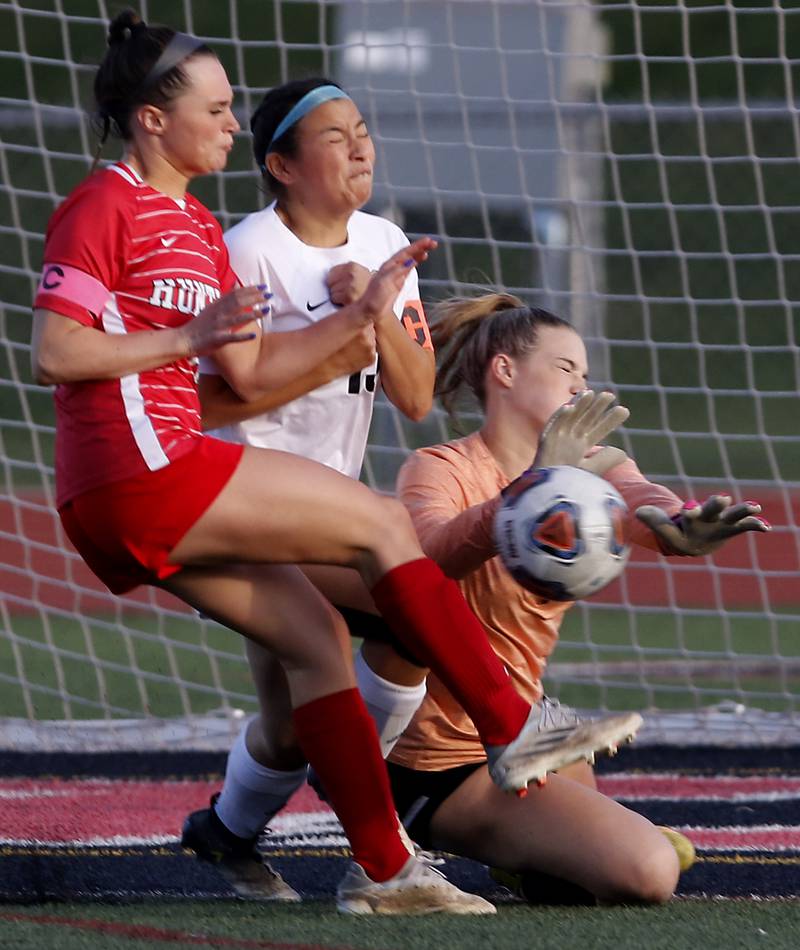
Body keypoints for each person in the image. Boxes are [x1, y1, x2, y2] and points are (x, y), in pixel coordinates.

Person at [30, 10, 642, 916]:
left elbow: (248, 371)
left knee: (317, 647)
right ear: (152, 119)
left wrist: (359, 325)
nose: (232, 125)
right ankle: (514, 728)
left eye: (235, 108)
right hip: (142, 470)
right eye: (216, 108)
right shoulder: (102, 206)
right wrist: (184, 336)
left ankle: (386, 873)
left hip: (156, 486)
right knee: (388, 531)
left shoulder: (197, 228)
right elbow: (55, 352)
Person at [384, 292, 770, 905]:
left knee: (593, 872)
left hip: (525, 732)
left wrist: (683, 523)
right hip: (436, 759)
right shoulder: (439, 467)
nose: (581, 387)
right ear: (505, 371)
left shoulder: (589, 468)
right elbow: (423, 565)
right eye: (566, 369)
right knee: (648, 871)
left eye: (586, 375)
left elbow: (641, 496)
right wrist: (530, 485)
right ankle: (458, 834)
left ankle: (528, 858)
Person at [181, 76, 437, 902]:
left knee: (294, 728)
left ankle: (228, 830)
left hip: (333, 506)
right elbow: (204, 398)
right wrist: (335, 333)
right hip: (248, 509)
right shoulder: (245, 249)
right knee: (419, 614)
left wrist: (373, 310)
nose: (360, 145)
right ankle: (375, 837)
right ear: (282, 166)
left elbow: (418, 394)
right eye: (335, 136)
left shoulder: (384, 237)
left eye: (362, 129)